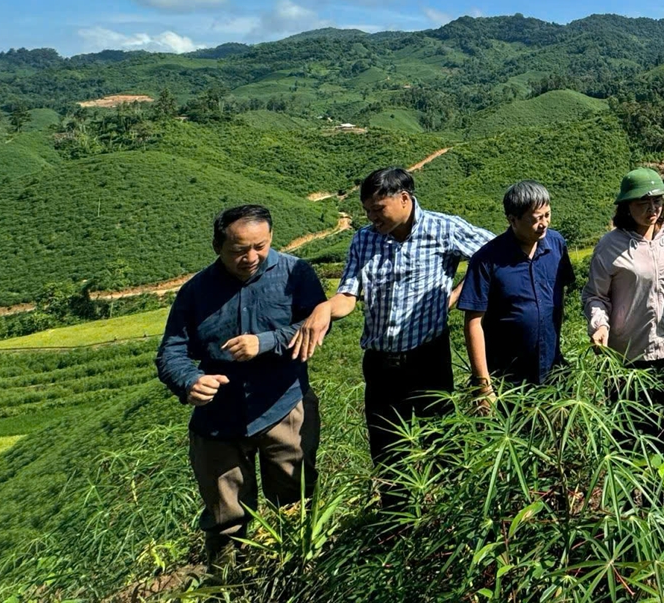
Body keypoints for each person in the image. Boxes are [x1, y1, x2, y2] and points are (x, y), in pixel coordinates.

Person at [291, 167, 494, 473]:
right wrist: (323, 309)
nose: (372, 218)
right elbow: (348, 297)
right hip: (379, 364)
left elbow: (493, 256)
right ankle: (395, 516)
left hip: (428, 359)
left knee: (441, 443)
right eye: (367, 211)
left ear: (403, 198)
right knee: (386, 453)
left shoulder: (444, 228)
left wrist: (457, 296)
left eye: (378, 210)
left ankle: (442, 512)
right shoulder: (364, 240)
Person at [155, 205, 326, 567]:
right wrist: (190, 381)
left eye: (260, 247)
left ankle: (298, 573)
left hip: (283, 406)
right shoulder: (196, 291)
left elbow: (314, 327)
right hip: (218, 420)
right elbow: (171, 351)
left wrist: (264, 342)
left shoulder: (297, 274)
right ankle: (230, 583)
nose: (251, 257)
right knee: (225, 519)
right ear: (218, 246)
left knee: (295, 502)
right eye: (239, 250)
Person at [582, 168, 664, 447]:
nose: (653, 208)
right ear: (627, 206)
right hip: (626, 357)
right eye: (643, 203)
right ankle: (631, 490)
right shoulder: (610, 245)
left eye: (658, 201)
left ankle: (660, 490)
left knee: (663, 431)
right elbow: (595, 295)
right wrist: (599, 324)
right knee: (627, 435)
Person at [458, 180, 576, 408]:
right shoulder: (487, 260)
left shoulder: (556, 244)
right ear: (512, 220)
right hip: (507, 381)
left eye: (547, 215)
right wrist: (484, 386)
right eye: (536, 219)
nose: (544, 224)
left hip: (552, 370)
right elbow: (473, 323)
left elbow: (558, 297)